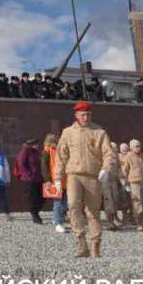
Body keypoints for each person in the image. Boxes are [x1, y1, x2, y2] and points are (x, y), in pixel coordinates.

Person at [56, 101, 116, 258]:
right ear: (76, 115)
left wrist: (106, 169)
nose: (85, 117)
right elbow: (61, 156)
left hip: (92, 176)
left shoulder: (99, 132)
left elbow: (109, 153)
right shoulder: (68, 132)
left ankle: (95, 244)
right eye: (82, 114)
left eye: (88, 114)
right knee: (73, 205)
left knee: (93, 211)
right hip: (74, 175)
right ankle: (81, 242)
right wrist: (58, 177)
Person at [121, 139, 143, 232]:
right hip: (134, 183)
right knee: (137, 203)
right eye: (136, 146)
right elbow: (125, 171)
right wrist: (125, 183)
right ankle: (138, 223)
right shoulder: (128, 157)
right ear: (131, 147)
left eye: (139, 146)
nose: (139, 148)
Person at [41, 133, 67, 233]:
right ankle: (58, 223)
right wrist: (47, 180)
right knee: (58, 202)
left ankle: (56, 218)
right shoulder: (46, 151)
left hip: (66, 179)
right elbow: (44, 167)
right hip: (54, 179)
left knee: (66, 202)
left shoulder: (61, 149)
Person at [16, 138, 44, 224]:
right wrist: (29, 174)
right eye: (36, 144)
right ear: (31, 144)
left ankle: (35, 213)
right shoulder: (25, 151)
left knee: (42, 197)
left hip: (38, 178)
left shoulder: (36, 152)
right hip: (29, 179)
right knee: (32, 198)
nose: (38, 145)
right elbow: (21, 164)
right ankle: (35, 215)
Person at [101, 141, 123, 231]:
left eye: (116, 148)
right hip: (105, 181)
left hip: (114, 181)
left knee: (115, 199)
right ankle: (109, 221)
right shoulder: (103, 156)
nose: (115, 150)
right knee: (108, 200)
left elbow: (119, 168)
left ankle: (114, 218)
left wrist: (121, 178)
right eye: (113, 148)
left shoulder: (116, 157)